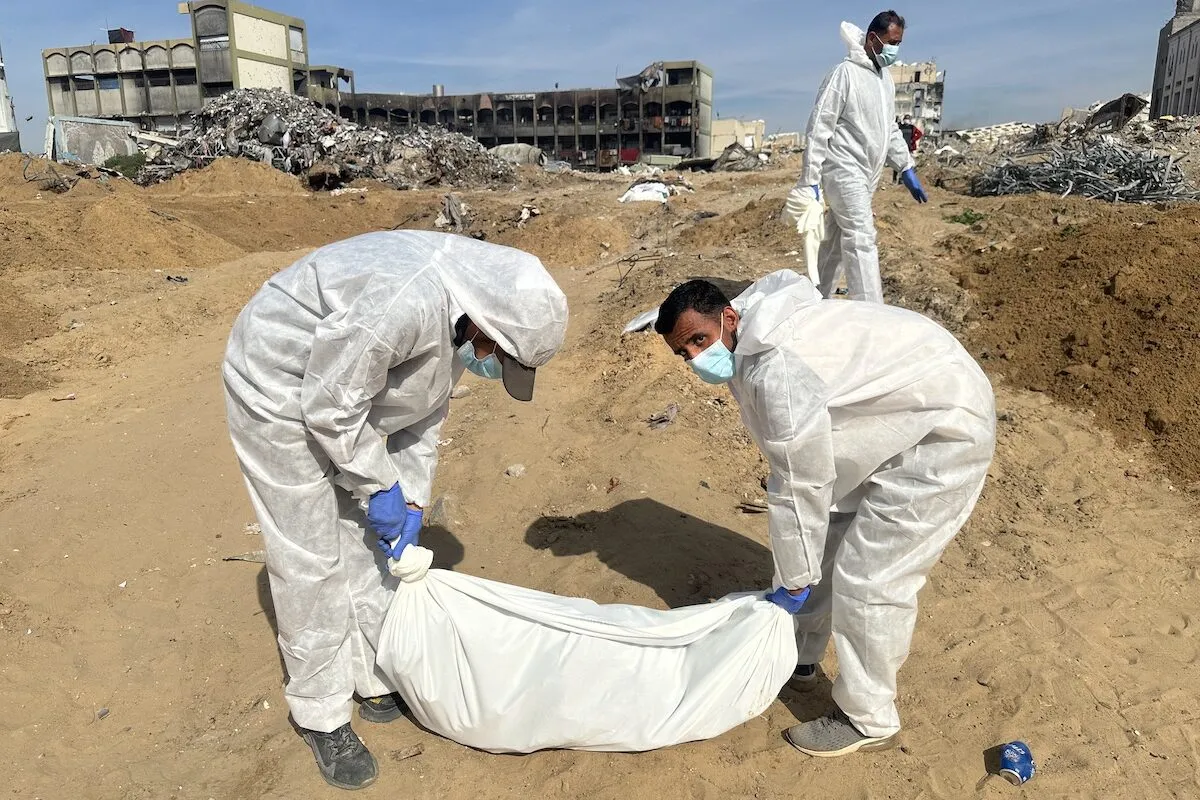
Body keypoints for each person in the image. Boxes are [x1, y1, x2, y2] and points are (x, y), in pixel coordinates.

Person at [222, 231, 568, 790]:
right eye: (499, 357)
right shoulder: (402, 302)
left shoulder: (464, 319)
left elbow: (422, 413)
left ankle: (373, 672)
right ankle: (321, 711)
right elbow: (330, 410)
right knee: (310, 555)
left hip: (345, 390)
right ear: (487, 327)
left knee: (367, 541)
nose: (490, 366)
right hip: (279, 384)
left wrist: (410, 498)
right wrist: (378, 484)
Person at [653, 270, 995, 758]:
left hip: (942, 431)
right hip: (890, 417)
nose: (694, 358)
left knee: (870, 578)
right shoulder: (747, 333)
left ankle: (868, 719)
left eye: (698, 341)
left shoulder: (777, 366)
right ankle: (800, 657)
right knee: (829, 535)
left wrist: (792, 581)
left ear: (728, 317)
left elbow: (799, 481)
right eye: (683, 352)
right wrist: (798, 571)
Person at [785, 10, 928, 303]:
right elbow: (819, 126)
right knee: (862, 238)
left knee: (836, 242)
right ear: (873, 39)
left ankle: (814, 300)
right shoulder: (844, 74)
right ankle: (871, 312)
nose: (895, 50)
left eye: (899, 43)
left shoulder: (884, 80)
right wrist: (810, 179)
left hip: (867, 174)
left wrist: (905, 167)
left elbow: (889, 128)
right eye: (892, 42)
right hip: (843, 170)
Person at [893, 115, 923, 183]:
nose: (906, 120)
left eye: (908, 119)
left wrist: (913, 139)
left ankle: (902, 179)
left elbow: (919, 133)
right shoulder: (900, 127)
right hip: (900, 147)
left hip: (908, 148)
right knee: (897, 162)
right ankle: (894, 178)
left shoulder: (912, 127)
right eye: (905, 119)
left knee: (906, 164)